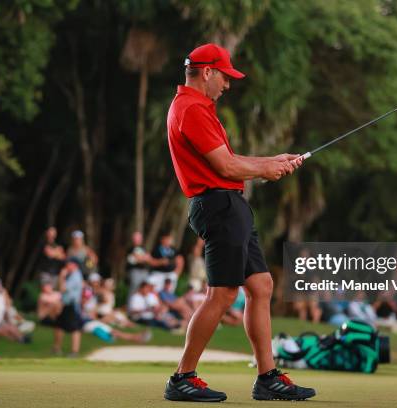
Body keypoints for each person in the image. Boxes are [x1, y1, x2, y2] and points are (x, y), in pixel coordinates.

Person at [164, 43, 314, 402]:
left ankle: (267, 377)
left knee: (260, 284)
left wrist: (271, 160)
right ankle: (182, 377)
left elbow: (228, 160)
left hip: (230, 204)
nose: (228, 85)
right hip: (218, 205)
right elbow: (227, 168)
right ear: (207, 72)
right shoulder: (191, 109)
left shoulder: (198, 107)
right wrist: (265, 168)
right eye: (225, 77)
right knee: (223, 293)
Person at [55, 258, 84, 357]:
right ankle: (57, 348)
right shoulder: (72, 275)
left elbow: (62, 288)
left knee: (74, 328)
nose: (66, 266)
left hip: (72, 305)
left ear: (74, 265)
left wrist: (61, 276)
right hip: (66, 304)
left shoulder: (75, 276)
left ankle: (74, 352)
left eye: (68, 264)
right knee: (59, 326)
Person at [126, 231, 150, 298]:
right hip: (135, 272)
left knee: (143, 290)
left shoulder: (143, 248)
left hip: (144, 271)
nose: (137, 239)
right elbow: (138, 258)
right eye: (135, 238)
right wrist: (143, 258)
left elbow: (149, 258)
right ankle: (130, 306)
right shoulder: (131, 248)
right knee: (134, 289)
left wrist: (142, 258)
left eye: (138, 238)